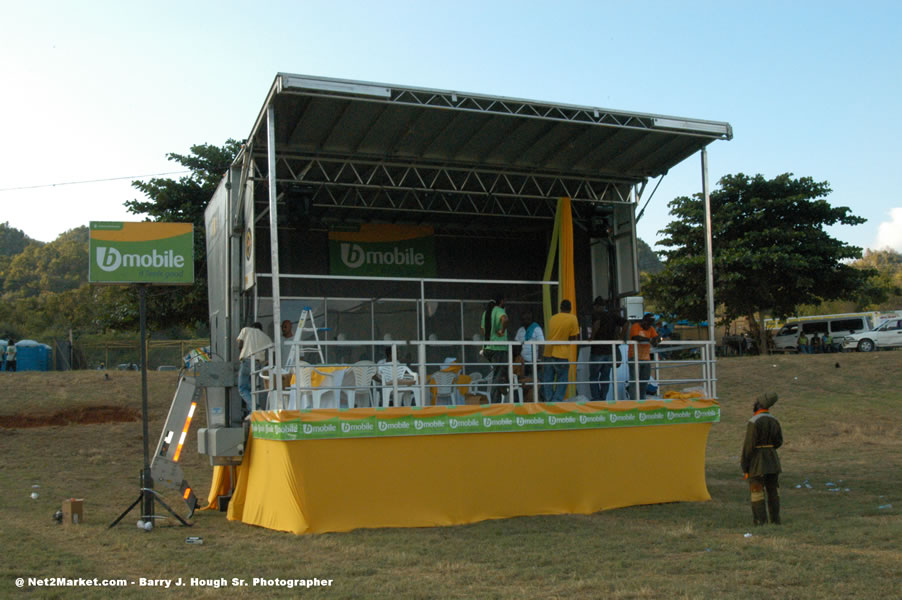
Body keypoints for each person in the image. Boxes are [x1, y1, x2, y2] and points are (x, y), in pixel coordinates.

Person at [741, 392, 783, 525]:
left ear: (758, 405)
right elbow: (779, 441)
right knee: (773, 492)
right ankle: (775, 520)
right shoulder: (774, 420)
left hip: (757, 463)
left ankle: (760, 521)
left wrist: (745, 466)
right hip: (773, 461)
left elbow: (748, 446)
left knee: (757, 491)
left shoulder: (753, 422)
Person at [542, 299, 580, 402]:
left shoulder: (553, 318)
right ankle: (556, 401)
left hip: (548, 351)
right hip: (562, 353)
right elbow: (573, 338)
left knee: (548, 380)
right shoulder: (573, 318)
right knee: (562, 379)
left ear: (560, 308)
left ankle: (549, 401)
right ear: (570, 308)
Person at [589, 298, 626, 401]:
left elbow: (596, 324)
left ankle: (596, 398)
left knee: (593, 377)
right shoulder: (612, 315)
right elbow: (627, 323)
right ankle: (603, 398)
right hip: (609, 351)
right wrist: (621, 337)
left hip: (597, 351)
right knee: (605, 377)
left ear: (596, 306)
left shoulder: (596, 314)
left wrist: (592, 337)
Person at [237, 323, 272, 412]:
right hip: (258, 364)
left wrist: (242, 352)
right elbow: (272, 349)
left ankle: (256, 408)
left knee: (243, 389)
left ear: (252, 327)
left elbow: (240, 345)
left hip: (247, 361)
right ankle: (252, 412)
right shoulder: (265, 336)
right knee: (251, 389)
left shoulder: (246, 329)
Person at [480, 295, 509, 403]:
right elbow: (505, 319)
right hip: (499, 348)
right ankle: (495, 401)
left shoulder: (486, 313)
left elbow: (482, 330)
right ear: (501, 301)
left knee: (498, 373)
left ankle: (501, 390)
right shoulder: (498, 310)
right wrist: (501, 331)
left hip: (488, 349)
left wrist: (491, 336)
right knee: (498, 375)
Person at [627, 313, 659, 400]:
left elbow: (656, 337)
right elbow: (635, 337)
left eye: (650, 324)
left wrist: (656, 340)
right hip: (634, 356)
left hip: (646, 358)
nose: (648, 326)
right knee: (634, 380)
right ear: (643, 321)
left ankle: (641, 399)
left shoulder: (651, 328)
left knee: (644, 380)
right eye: (648, 323)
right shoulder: (635, 326)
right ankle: (633, 400)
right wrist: (649, 340)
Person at [514, 309, 544, 379]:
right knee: (523, 380)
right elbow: (516, 345)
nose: (524, 321)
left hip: (533, 361)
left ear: (530, 320)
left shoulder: (537, 329)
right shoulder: (520, 330)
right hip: (522, 361)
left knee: (533, 380)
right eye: (523, 320)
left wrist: (540, 360)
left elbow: (541, 345)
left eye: (526, 319)